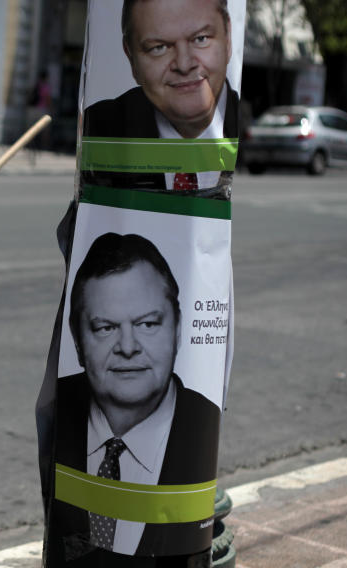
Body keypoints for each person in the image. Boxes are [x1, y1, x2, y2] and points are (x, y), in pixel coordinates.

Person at [48, 232, 220, 561]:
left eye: (147, 324)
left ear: (178, 329)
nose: (128, 347)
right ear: (77, 339)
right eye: (105, 328)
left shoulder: (202, 424)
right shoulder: (59, 408)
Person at [82, 0, 239, 195]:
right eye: (159, 48)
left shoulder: (264, 141)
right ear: (131, 57)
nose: (184, 64)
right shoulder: (102, 127)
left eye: (200, 38)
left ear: (228, 36)